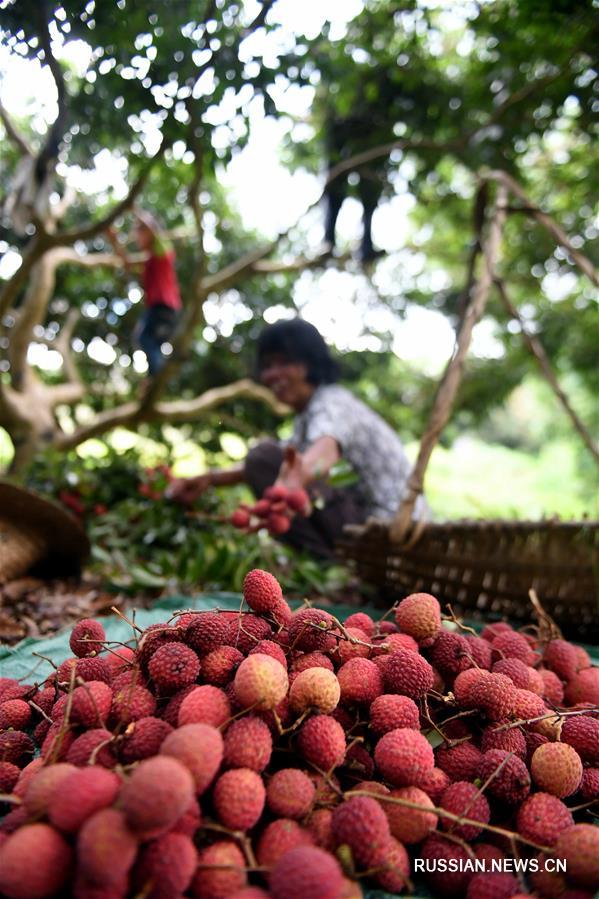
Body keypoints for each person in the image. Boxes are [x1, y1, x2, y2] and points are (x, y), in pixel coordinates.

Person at [169, 318, 428, 558]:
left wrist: (301, 475)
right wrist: (209, 479)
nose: (272, 375)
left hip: (394, 530)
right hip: (375, 523)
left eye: (284, 363)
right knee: (265, 460)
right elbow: (289, 460)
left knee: (262, 456)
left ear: (311, 364)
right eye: (268, 366)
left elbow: (323, 451)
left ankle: (336, 566)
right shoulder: (308, 416)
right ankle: (336, 566)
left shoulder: (332, 404)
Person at [106, 210, 182, 376]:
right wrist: (113, 240)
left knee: (144, 338)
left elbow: (152, 227)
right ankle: (153, 380)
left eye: (140, 231)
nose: (137, 236)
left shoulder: (163, 250)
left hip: (162, 306)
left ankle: (156, 378)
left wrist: (133, 208)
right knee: (151, 343)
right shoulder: (150, 260)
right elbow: (126, 262)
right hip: (164, 309)